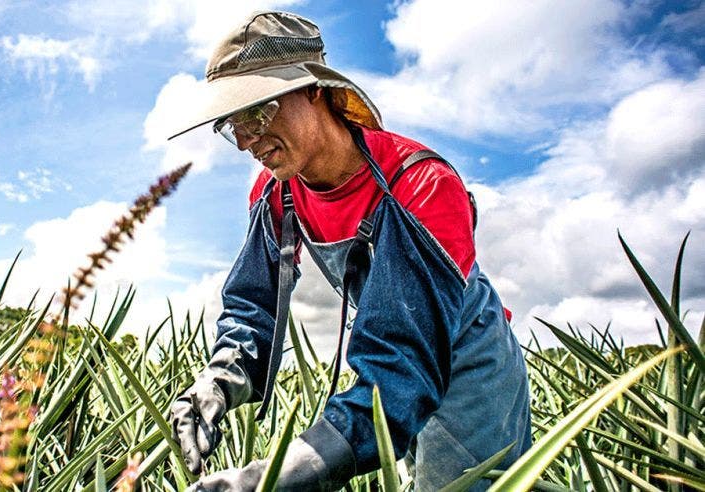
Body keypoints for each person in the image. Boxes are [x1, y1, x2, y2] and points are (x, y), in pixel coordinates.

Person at [167, 10, 531, 492]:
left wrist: (280, 476)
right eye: (232, 125)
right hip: (394, 360)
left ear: (315, 91)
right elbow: (254, 305)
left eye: (256, 112)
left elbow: (401, 358)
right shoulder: (276, 192)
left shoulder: (420, 184)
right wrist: (217, 382)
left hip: (469, 364)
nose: (246, 141)